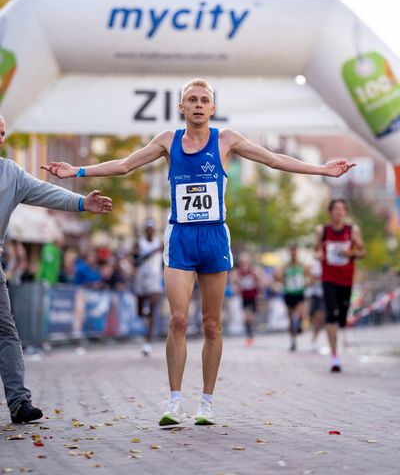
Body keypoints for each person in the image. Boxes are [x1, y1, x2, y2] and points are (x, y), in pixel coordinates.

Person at [42, 78, 355, 426]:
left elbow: (274, 160)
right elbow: (125, 164)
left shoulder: (227, 140)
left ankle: (206, 402)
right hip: (180, 238)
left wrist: (323, 170)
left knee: (212, 324)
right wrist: (78, 172)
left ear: (212, 108)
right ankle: (174, 401)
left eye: (204, 99)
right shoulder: (167, 140)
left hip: (214, 238)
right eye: (191, 99)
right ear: (181, 107)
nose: (198, 104)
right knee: (177, 319)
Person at [0, 114, 112, 424]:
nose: (0, 138)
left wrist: (81, 203)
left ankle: (19, 403)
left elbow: (45, 192)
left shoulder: (9, 174)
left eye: (3, 133)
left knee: (6, 332)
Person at [314, 198, 365, 372]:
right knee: (331, 315)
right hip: (328, 278)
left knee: (342, 318)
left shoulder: (352, 230)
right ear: (330, 212)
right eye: (335, 209)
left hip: (346, 279)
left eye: (342, 209)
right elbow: (316, 250)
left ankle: (342, 325)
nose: (339, 212)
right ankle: (334, 357)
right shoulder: (322, 230)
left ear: (345, 212)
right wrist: (319, 255)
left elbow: (362, 252)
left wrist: (350, 253)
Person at [133, 218, 163, 357]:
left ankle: (148, 343)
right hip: (141, 277)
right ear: (145, 229)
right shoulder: (139, 243)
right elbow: (135, 260)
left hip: (155, 277)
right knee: (139, 311)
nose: (150, 230)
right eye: (148, 228)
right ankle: (143, 312)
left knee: (153, 307)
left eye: (152, 228)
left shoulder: (160, 243)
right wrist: (151, 252)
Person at [277, 244, 309, 351]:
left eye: (295, 251)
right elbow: (278, 277)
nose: (293, 253)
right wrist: (282, 279)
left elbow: (310, 277)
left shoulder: (302, 266)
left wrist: (305, 284)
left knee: (299, 312)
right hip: (289, 293)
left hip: (299, 293)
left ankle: (299, 322)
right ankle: (293, 340)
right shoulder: (285, 266)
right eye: (291, 251)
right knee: (290, 319)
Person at [229, 251, 264, 346]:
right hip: (244, 297)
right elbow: (233, 283)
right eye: (242, 261)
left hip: (253, 296)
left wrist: (260, 288)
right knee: (245, 318)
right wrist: (236, 285)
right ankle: (249, 336)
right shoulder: (238, 272)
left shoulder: (254, 270)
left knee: (253, 317)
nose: (244, 263)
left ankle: (251, 332)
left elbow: (261, 281)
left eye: (246, 261)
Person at [306, 257, 325, 353]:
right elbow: (309, 280)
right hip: (313, 294)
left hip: (324, 294)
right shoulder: (311, 264)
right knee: (311, 318)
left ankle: (315, 339)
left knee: (321, 317)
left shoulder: (327, 261)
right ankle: (313, 336)